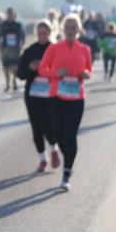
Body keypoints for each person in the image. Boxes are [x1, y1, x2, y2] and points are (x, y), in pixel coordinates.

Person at [38, 13, 92, 190]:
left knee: (71, 135)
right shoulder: (54, 48)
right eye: (67, 27)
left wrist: (85, 75)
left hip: (76, 97)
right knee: (59, 134)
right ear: (63, 29)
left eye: (73, 27)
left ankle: (66, 174)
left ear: (78, 29)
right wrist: (56, 74)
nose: (70, 30)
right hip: (57, 97)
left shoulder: (85, 49)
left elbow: (88, 70)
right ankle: (67, 156)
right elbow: (42, 69)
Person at [17, 20, 60, 173]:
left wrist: (47, 68)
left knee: (48, 125)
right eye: (39, 34)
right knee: (36, 127)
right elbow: (20, 74)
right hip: (33, 94)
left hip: (51, 94)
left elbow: (62, 71)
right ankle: (42, 159)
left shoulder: (55, 49)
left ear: (50, 33)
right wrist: (30, 68)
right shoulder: (29, 51)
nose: (42, 36)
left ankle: (54, 149)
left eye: (45, 33)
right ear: (36, 34)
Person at [0, 8, 25, 92]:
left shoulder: (18, 25)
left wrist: (22, 43)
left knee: (15, 67)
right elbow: (0, 35)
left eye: (11, 14)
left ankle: (14, 81)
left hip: (15, 49)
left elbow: (22, 35)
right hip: (5, 49)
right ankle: (7, 84)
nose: (10, 15)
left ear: (14, 15)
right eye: (8, 14)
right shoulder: (3, 24)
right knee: (6, 67)